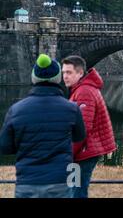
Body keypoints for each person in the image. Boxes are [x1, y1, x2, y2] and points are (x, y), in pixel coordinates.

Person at [0, 54, 86, 198]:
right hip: (59, 181)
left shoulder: (16, 110)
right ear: (58, 78)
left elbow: (4, 147)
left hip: (27, 181)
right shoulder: (71, 109)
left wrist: (25, 143)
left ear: (34, 77)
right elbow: (79, 137)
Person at [61, 55, 116, 198]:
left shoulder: (84, 92)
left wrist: (69, 155)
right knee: (74, 189)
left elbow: (82, 129)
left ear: (80, 73)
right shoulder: (82, 89)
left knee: (76, 191)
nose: (65, 76)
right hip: (84, 150)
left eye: (69, 72)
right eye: (63, 72)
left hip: (84, 152)